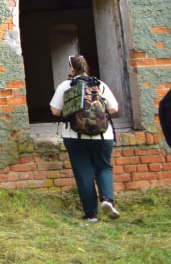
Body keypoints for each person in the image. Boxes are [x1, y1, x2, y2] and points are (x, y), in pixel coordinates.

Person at [50, 55, 122, 223]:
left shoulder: (66, 86)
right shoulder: (99, 84)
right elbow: (114, 108)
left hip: (75, 136)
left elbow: (55, 110)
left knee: (84, 173)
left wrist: (75, 115)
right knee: (104, 167)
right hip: (104, 135)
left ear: (71, 69)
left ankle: (91, 215)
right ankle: (107, 200)